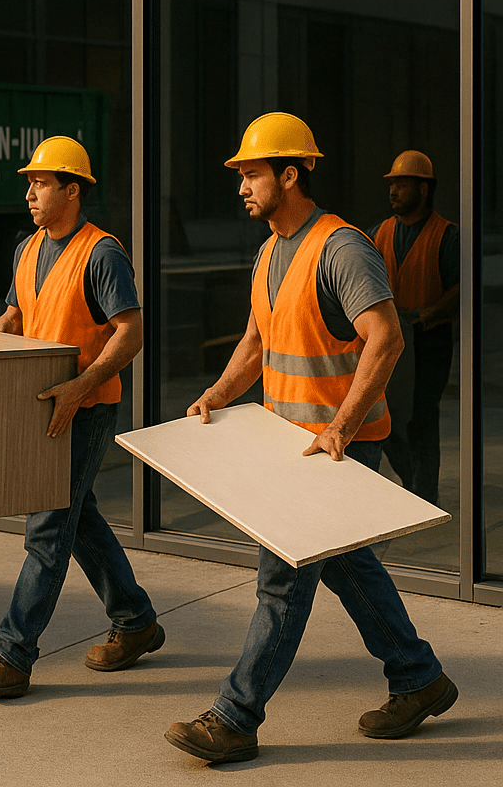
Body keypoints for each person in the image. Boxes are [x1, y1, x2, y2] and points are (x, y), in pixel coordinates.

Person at [166, 113, 456, 764]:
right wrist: (216, 394)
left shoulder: (343, 248)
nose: (240, 185)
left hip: (335, 449)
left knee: (282, 581)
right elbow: (255, 342)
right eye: (239, 174)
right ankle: (419, 677)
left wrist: (341, 429)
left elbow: (387, 337)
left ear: (289, 174)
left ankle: (235, 717)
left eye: (251, 173)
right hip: (290, 447)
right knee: (352, 571)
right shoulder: (270, 250)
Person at [0, 135, 162, 699]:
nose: (30, 193)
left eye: (41, 183)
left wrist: (82, 384)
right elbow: (16, 316)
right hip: (45, 406)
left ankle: (12, 655)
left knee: (49, 529)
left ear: (73, 190)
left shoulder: (102, 253)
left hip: (88, 406)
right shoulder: (26, 249)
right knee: (80, 518)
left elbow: (131, 331)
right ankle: (137, 621)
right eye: (29, 183)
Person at [366, 150, 458, 505]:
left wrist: (428, 314)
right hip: (392, 337)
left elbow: (459, 289)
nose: (393, 192)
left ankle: (426, 495)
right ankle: (413, 484)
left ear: (423, 189)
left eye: (401, 185)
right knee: (386, 416)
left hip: (430, 339)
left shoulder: (447, 236)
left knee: (422, 418)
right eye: (392, 185)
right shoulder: (378, 234)